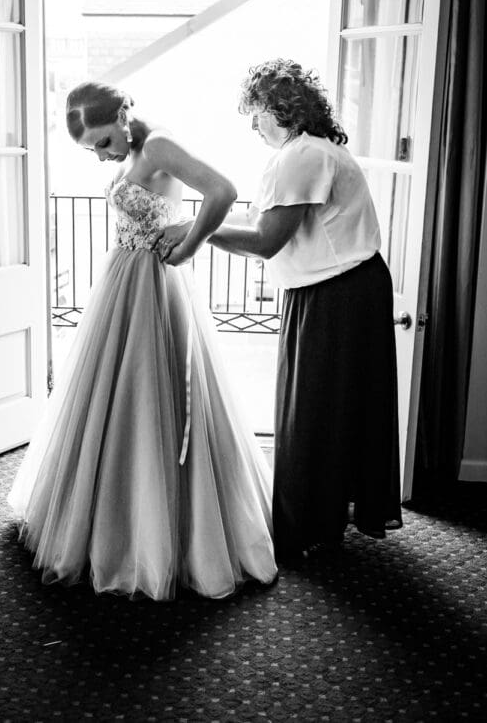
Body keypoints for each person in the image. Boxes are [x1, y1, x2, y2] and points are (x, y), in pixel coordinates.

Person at [8, 81, 277, 599]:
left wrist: (191, 242)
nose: (103, 156)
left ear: (125, 113)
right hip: (122, 284)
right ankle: (106, 519)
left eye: (105, 142)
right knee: (113, 403)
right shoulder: (137, 149)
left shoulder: (158, 147)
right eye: (94, 151)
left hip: (154, 284)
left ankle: (156, 537)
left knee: (154, 400)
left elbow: (221, 190)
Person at [159, 59, 402, 558]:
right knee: (324, 409)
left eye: (256, 112)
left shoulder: (303, 156)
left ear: (281, 108)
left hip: (339, 293)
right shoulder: (306, 151)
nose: (252, 125)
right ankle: (321, 519)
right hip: (333, 289)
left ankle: (305, 528)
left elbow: (267, 242)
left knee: (314, 411)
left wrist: (195, 229)